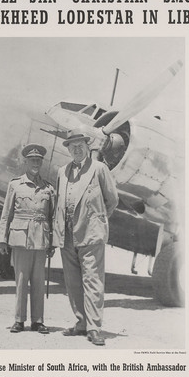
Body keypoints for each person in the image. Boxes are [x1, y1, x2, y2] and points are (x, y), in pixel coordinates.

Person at [53, 127, 119, 346]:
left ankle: (93, 327)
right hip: (67, 235)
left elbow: (112, 200)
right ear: (69, 149)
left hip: (91, 233)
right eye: (73, 146)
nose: (77, 149)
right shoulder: (62, 172)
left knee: (92, 281)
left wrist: (96, 220)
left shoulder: (99, 169)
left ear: (87, 147)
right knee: (72, 282)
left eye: (80, 145)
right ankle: (81, 322)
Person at [0, 144, 55, 334]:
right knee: (21, 281)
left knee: (38, 282)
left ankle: (38, 321)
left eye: (38, 161)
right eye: (32, 160)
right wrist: (2, 240)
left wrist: (52, 242)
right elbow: (6, 214)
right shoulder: (15, 185)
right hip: (20, 238)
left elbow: (52, 217)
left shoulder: (48, 188)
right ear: (25, 162)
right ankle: (19, 320)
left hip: (41, 240)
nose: (35, 164)